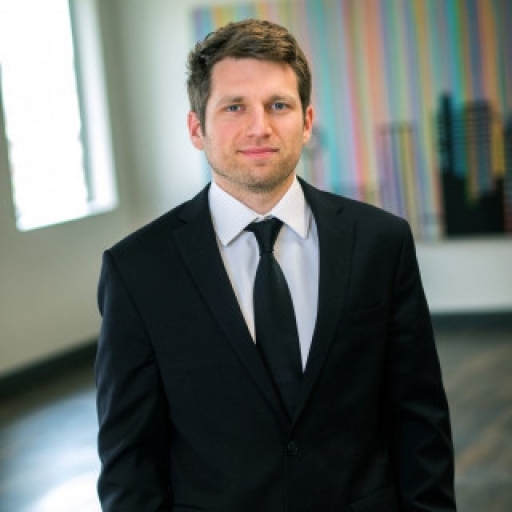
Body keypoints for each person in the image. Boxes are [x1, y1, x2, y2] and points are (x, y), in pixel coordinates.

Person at [95, 19, 456, 512]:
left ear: (306, 122)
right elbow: (129, 460)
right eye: (234, 107)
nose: (259, 127)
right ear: (197, 128)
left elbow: (420, 418)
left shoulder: (381, 242)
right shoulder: (137, 269)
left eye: (278, 105)